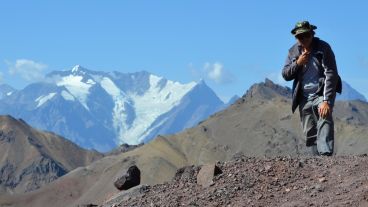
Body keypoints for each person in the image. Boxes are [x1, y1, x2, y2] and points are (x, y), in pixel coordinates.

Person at [282, 21, 342, 156]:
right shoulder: (293, 51)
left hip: (321, 93)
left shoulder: (323, 48)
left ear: (312, 34)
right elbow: (285, 74)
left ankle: (325, 155)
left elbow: (331, 73)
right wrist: (297, 63)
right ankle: (316, 162)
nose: (303, 39)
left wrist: (326, 100)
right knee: (309, 130)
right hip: (303, 96)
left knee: (324, 116)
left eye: (306, 35)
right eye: (299, 37)